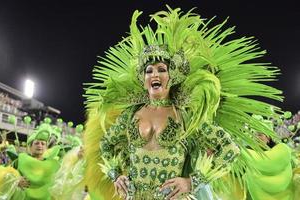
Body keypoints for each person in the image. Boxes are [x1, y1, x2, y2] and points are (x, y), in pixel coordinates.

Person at [83, 6, 283, 200]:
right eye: (149, 70)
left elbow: (230, 150)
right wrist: (116, 175)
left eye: (161, 69)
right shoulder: (130, 115)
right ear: (143, 80)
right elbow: (106, 145)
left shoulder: (185, 116)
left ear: (172, 77)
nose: (155, 74)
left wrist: (192, 182)